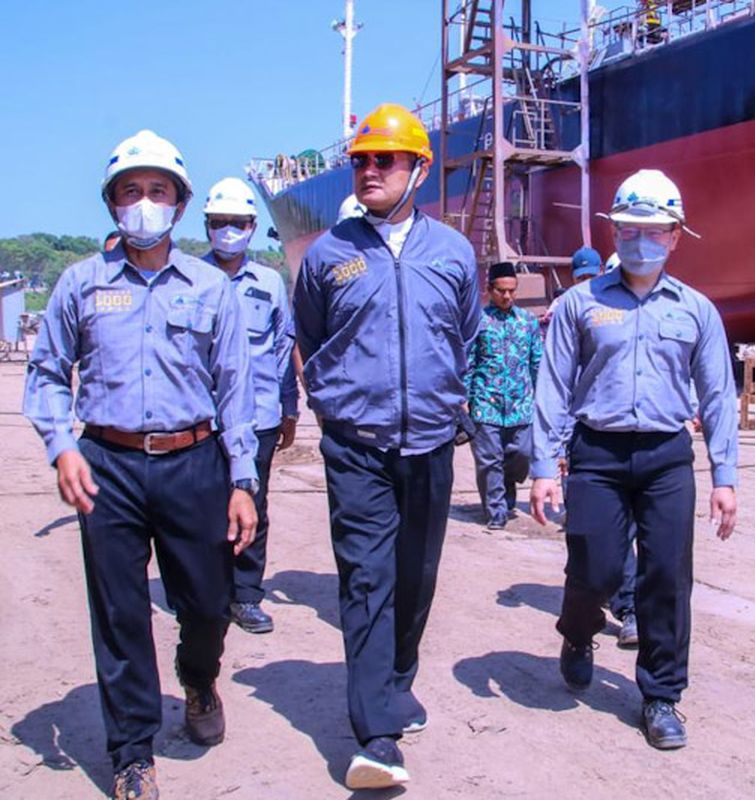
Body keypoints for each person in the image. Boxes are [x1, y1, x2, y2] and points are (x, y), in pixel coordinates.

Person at [23, 129, 258, 800]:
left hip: (194, 464)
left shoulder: (213, 289)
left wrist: (243, 481)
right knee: (121, 615)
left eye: (158, 191)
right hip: (108, 467)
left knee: (209, 604)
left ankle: (199, 678)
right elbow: (45, 376)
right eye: (132, 192)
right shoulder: (80, 285)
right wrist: (62, 447)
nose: (145, 204)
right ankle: (132, 751)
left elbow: (235, 391)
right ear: (113, 205)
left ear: (180, 206)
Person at [293, 103, 481, 790]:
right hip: (357, 447)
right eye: (361, 159)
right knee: (367, 581)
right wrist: (333, 409)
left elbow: (463, 334)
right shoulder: (328, 256)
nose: (369, 170)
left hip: (431, 443)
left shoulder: (455, 254)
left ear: (418, 169)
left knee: (415, 578)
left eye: (385, 160)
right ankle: (376, 735)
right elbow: (309, 340)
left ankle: (397, 683)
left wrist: (444, 405)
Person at [530, 168, 738, 750]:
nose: (639, 240)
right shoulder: (580, 303)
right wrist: (544, 466)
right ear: (614, 232)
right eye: (627, 229)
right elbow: (553, 384)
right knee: (594, 568)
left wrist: (725, 476)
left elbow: (719, 393)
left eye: (653, 230)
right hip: (596, 451)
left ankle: (662, 696)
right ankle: (577, 632)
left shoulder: (696, 311)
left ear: (676, 236)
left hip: (667, 457)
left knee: (667, 577)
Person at [201, 177, 300, 633]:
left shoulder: (269, 283)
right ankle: (206, 593)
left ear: (253, 226)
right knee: (202, 509)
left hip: (258, 416)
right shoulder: (190, 280)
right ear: (206, 226)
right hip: (201, 421)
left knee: (253, 508)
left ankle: (246, 595)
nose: (228, 230)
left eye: (236, 222)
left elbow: (283, 350)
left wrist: (289, 408)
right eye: (219, 222)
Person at [466, 261, 543, 530]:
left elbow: (537, 362)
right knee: (490, 461)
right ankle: (495, 511)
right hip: (486, 403)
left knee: (521, 455)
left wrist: (543, 397)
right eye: (502, 291)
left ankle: (507, 490)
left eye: (512, 291)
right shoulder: (477, 321)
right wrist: (464, 399)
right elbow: (468, 361)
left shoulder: (528, 322)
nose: (507, 296)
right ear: (489, 290)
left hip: (521, 405)